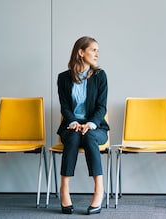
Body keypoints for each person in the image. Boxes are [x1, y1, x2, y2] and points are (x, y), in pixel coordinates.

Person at [57, 36, 109, 215]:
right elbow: (64, 106)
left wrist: (90, 124)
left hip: (96, 127)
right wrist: (73, 122)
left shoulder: (100, 76)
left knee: (88, 136)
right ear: (81, 52)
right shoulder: (63, 78)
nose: (97, 54)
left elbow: (102, 107)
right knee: (72, 137)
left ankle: (99, 190)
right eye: (93, 50)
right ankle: (64, 189)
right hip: (71, 126)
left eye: (97, 51)